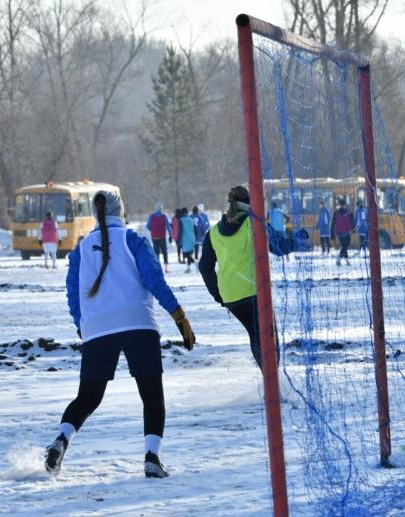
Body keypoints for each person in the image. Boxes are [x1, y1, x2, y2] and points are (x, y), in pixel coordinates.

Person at [45, 190, 195, 478]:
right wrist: (179, 316)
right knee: (151, 396)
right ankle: (152, 458)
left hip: (97, 330)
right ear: (121, 211)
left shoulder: (80, 248)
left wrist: (82, 324)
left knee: (87, 398)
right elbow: (154, 280)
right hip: (138, 323)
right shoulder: (133, 239)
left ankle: (61, 439)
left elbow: (73, 294)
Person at [199, 186, 279, 371]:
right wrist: (299, 238)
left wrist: (217, 294)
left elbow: (204, 267)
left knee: (255, 334)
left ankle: (269, 380)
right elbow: (278, 246)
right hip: (254, 291)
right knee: (268, 336)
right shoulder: (254, 223)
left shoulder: (213, 232)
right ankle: (273, 383)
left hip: (230, 295)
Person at [146, 202, 172, 273]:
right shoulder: (164, 216)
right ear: (162, 208)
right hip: (162, 237)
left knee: (156, 252)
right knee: (164, 252)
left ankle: (158, 267)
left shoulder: (151, 216)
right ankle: (166, 268)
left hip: (154, 237)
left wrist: (153, 230)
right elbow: (168, 227)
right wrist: (170, 236)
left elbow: (147, 226)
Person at [330, 198, 354, 266]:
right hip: (347, 232)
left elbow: (332, 224)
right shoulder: (349, 212)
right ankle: (339, 260)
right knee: (345, 246)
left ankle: (346, 261)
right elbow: (352, 222)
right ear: (345, 205)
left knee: (344, 246)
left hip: (339, 233)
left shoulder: (335, 213)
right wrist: (352, 229)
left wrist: (332, 233)